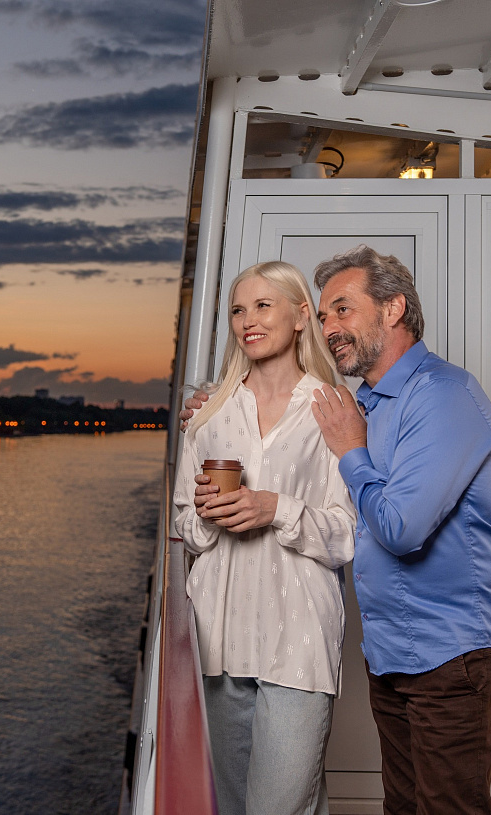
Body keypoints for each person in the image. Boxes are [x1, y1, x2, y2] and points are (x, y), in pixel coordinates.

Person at [183, 246, 491, 815]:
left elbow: (400, 528)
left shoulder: (442, 394)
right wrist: (211, 405)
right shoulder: (359, 403)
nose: (330, 327)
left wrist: (345, 454)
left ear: (393, 309)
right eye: (324, 316)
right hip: (392, 653)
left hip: (455, 650)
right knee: (405, 807)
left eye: (342, 309)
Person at [173, 260, 357, 815]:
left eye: (262, 306)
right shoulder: (209, 414)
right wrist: (208, 516)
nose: (247, 320)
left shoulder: (332, 408)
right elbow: (183, 525)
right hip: (219, 636)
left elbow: (347, 533)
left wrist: (273, 508)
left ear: (301, 316)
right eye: (237, 310)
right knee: (232, 806)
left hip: (298, 638)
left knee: (280, 806)